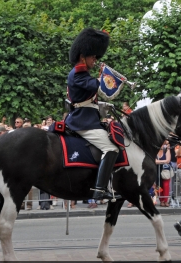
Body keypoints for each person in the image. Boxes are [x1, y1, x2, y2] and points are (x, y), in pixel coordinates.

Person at [65, 28, 120, 200]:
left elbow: (88, 98)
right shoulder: (78, 74)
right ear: (83, 56)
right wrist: (110, 78)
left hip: (88, 118)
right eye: (93, 56)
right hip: (82, 121)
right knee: (111, 148)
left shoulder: (83, 74)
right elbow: (94, 86)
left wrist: (103, 105)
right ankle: (99, 189)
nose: (95, 60)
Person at [156, 140, 171, 207]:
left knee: (166, 185)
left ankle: (165, 200)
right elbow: (154, 161)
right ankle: (161, 200)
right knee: (159, 185)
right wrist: (163, 161)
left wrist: (159, 161)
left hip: (165, 170)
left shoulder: (166, 149)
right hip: (157, 170)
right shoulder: (155, 150)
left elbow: (168, 160)